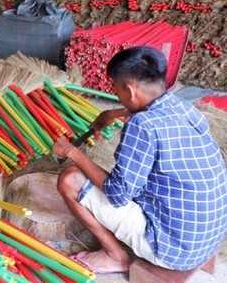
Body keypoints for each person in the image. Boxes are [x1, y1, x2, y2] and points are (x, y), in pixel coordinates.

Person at [53, 46, 227, 274]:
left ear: (129, 90)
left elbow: (117, 194)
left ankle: (115, 256)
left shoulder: (142, 126)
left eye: (116, 88)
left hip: (172, 252)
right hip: (206, 239)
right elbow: (155, 114)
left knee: (70, 179)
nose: (116, 94)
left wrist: (72, 152)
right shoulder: (183, 106)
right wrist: (116, 112)